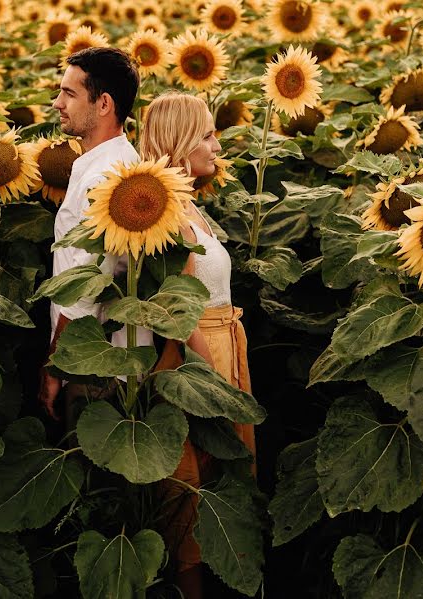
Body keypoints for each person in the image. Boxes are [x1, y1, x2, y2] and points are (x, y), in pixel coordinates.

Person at [140, 91, 257, 599]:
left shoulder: (191, 207)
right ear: (180, 142)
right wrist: (209, 382)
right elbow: (177, 306)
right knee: (189, 486)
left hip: (224, 345)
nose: (216, 145)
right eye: (207, 135)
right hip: (195, 356)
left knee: (220, 480)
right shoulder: (167, 213)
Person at [38, 47, 151, 424]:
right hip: (104, 356)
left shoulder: (105, 179)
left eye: (69, 94)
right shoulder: (111, 164)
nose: (57, 103)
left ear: (103, 104)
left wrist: (57, 367)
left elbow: (85, 290)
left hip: (94, 363)